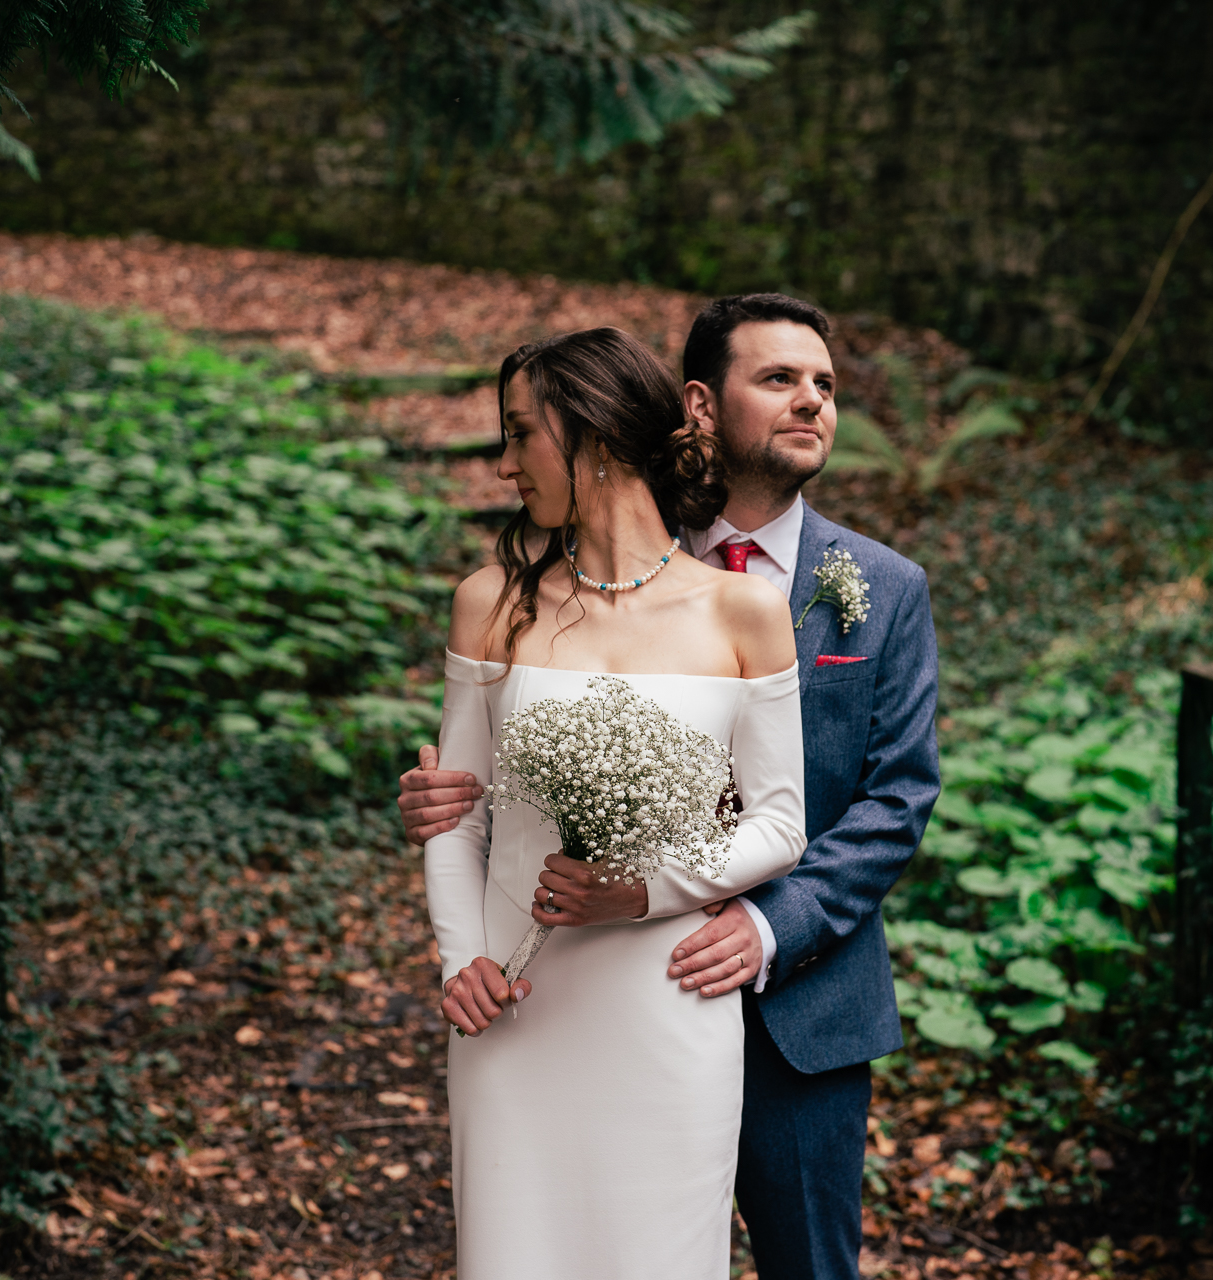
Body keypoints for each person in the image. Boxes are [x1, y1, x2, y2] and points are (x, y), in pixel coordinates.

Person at [404, 294, 942, 1280]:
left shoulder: (874, 586)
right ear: (695, 405)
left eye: (825, 383)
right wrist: (450, 830)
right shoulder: (521, 586)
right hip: (543, 991)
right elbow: (473, 785)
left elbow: (895, 797)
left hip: (789, 1000)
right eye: (779, 378)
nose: (812, 400)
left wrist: (762, 920)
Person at [423, 326, 809, 1279]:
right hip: (515, 1014)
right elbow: (457, 812)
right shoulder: (492, 603)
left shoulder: (741, 612)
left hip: (665, 1005)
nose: (506, 465)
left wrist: (644, 891)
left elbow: (780, 823)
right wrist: (460, 959)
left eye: (521, 435)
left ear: (591, 430)